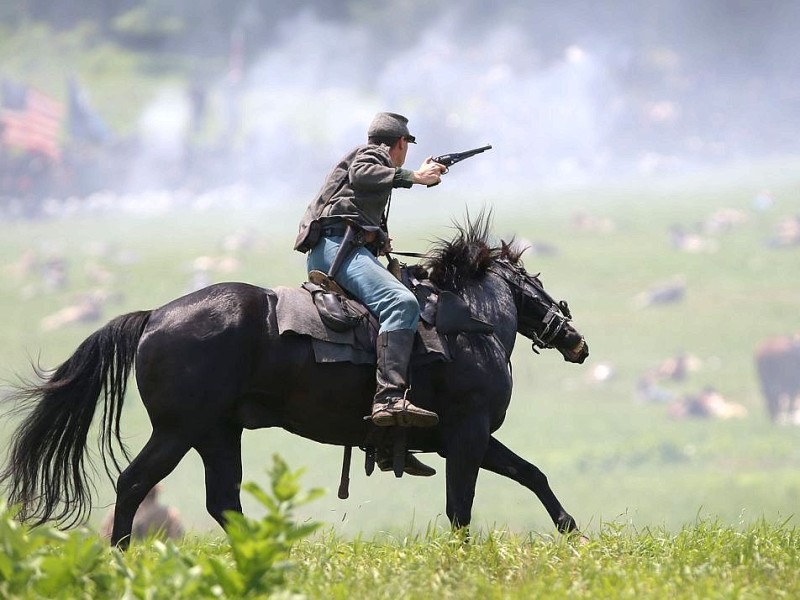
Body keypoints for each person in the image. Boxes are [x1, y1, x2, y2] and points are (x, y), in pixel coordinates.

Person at [294, 112, 445, 431]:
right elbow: (364, 174)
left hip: (336, 249)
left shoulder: (372, 157)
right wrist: (416, 177)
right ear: (401, 143)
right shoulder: (372, 153)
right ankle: (389, 397)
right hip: (340, 250)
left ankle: (388, 438)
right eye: (406, 146)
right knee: (402, 304)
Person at [100, 484, 185, 541]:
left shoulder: (118, 510)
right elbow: (176, 539)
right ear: (156, 493)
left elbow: (105, 536)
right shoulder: (170, 514)